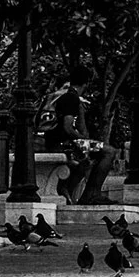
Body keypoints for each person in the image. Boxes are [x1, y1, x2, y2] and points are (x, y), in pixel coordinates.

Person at [47, 64, 107, 204]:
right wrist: (83, 141)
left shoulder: (65, 97)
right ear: (86, 83)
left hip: (59, 141)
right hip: (63, 143)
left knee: (87, 159)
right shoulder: (71, 98)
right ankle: (92, 193)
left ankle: (70, 190)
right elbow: (68, 128)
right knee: (109, 152)